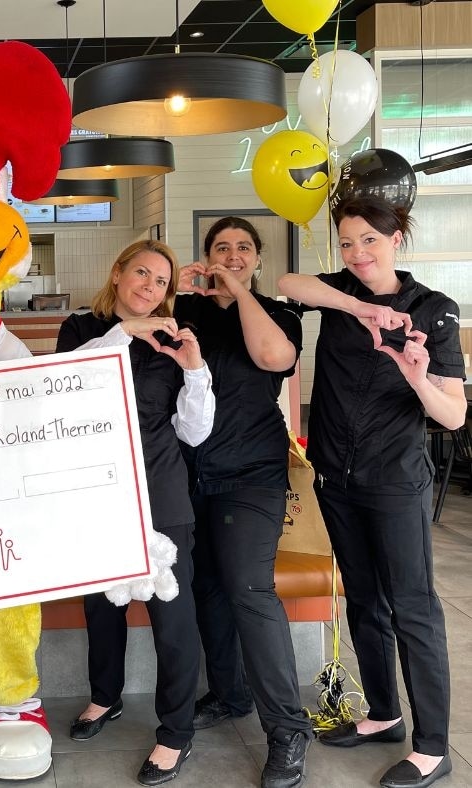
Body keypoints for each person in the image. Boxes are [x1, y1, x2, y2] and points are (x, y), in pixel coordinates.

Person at [279, 197, 466, 788]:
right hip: (337, 478)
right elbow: (288, 281)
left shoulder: (432, 311)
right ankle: (383, 714)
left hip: (394, 482)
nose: (358, 253)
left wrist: (416, 378)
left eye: (371, 241)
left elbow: (455, 415)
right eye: (349, 242)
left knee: (412, 608)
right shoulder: (337, 293)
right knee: (363, 600)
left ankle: (432, 745)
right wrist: (359, 306)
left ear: (397, 240)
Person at [57, 240, 214, 786]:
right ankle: (106, 697)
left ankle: (175, 731)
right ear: (119, 272)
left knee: (173, 615)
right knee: (102, 607)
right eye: (141, 273)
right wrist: (123, 335)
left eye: (160, 282)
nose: (149, 287)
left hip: (161, 489)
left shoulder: (175, 339)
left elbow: (194, 431)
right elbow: (65, 390)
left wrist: (194, 371)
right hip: (98, 490)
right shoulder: (82, 330)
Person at [175, 218, 312, 788]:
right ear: (205, 256)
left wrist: (239, 293)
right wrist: (170, 291)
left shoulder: (279, 315)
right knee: (206, 587)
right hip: (189, 475)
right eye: (221, 248)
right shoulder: (188, 313)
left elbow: (273, 359)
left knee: (249, 589)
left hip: (252, 476)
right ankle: (230, 696)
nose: (232, 255)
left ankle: (287, 731)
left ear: (257, 259)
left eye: (243, 249)